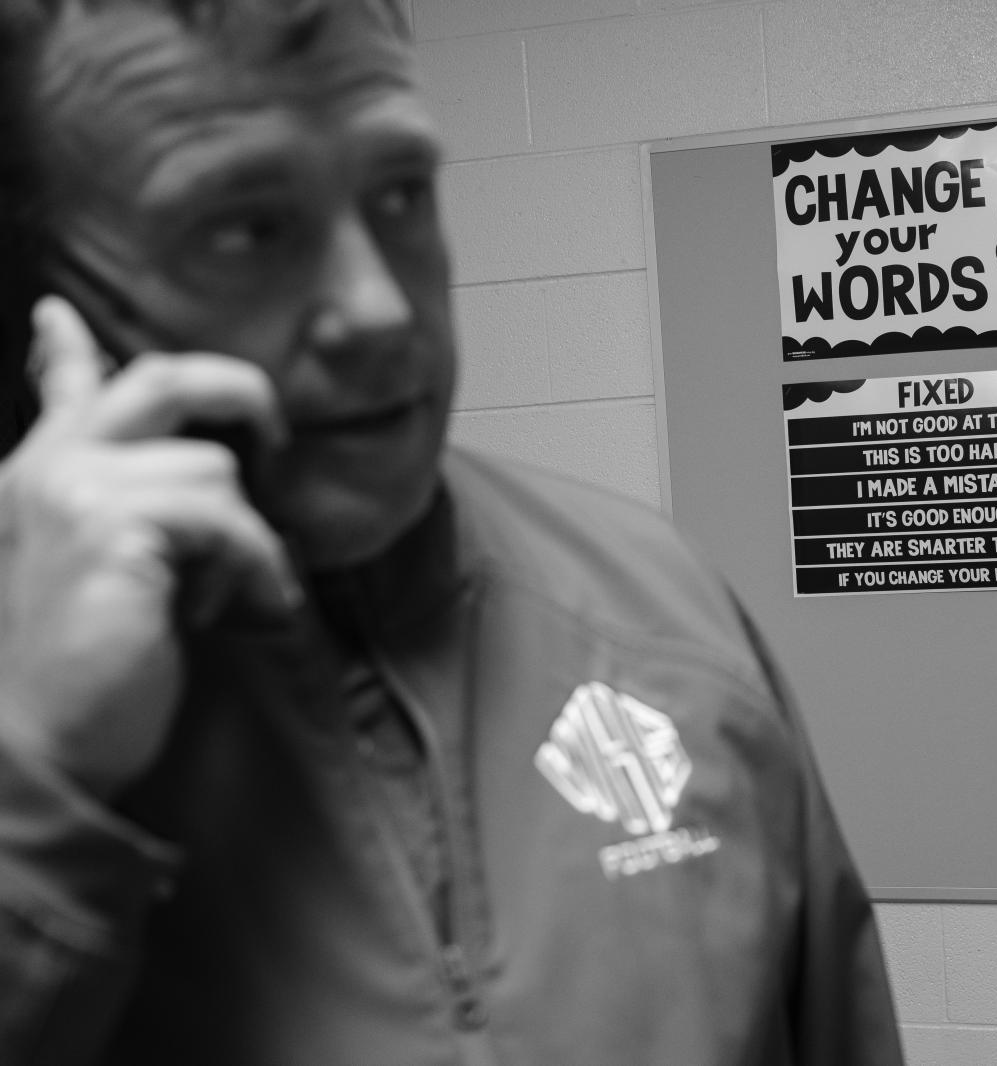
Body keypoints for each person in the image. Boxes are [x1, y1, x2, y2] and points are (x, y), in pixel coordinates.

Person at [0, 1, 905, 1062]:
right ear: (42, 293)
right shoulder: (28, 713)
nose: (378, 305)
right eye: (247, 227)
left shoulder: (658, 605)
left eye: (400, 194)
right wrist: (36, 791)